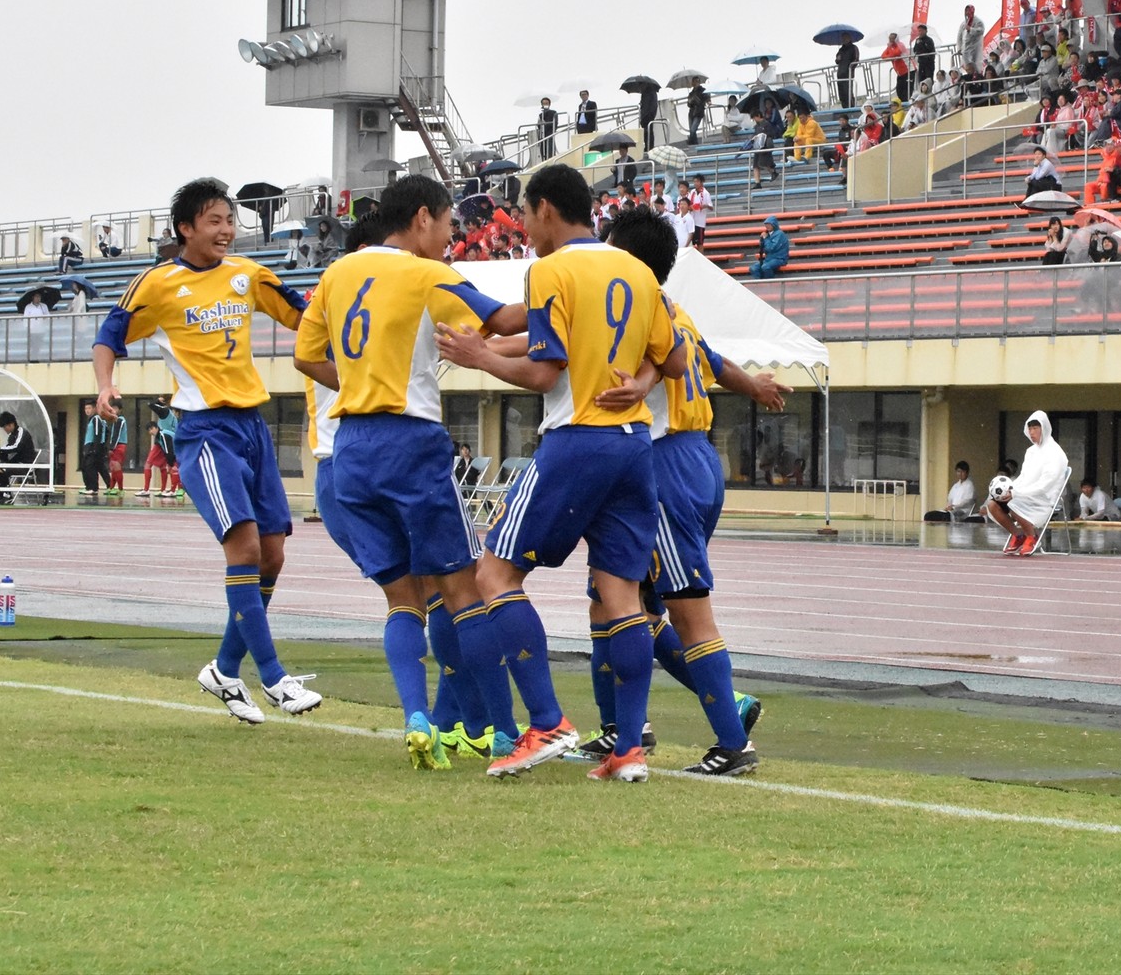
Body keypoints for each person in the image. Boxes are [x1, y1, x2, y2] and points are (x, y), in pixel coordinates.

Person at [431, 164, 690, 784]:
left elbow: (548, 372)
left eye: (524, 212)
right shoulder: (636, 269)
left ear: (546, 209)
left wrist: (478, 358)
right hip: (634, 445)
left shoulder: (549, 270)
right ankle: (628, 749)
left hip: (577, 439)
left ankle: (546, 721)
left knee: (494, 573)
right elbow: (675, 357)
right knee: (622, 595)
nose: (522, 225)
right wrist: (642, 383)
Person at [296, 175, 532, 770]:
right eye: (449, 224)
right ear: (422, 217)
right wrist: (568, 297)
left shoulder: (337, 273)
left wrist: (355, 386)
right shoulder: (426, 273)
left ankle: (418, 718)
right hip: (411, 441)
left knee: (403, 601)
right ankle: (504, 733)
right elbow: (502, 321)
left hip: (349, 447)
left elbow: (304, 354)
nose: (451, 237)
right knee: (464, 593)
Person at [93, 176, 322, 724]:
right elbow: (109, 335)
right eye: (215, 221)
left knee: (272, 556)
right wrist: (105, 385)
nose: (227, 231)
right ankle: (273, 677)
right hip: (204, 432)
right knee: (242, 550)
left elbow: (305, 316)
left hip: (253, 427)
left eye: (231, 221)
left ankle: (223, 669)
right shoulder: (157, 284)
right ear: (186, 229)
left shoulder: (249, 275)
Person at [581, 204, 784, 774]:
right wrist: (755, 387)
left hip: (664, 467)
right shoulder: (673, 309)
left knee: (684, 609)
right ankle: (625, 728)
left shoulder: (631, 313)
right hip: (695, 460)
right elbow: (712, 361)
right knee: (616, 600)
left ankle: (731, 739)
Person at [986, 411, 1070, 557]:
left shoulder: (1055, 453)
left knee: (1012, 501)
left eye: (1035, 428)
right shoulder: (1030, 451)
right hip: (1024, 494)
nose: (1032, 432)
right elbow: (1023, 477)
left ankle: (1032, 537)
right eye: (1030, 429)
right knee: (993, 504)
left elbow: (1045, 485)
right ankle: (1018, 535)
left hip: (1044, 498)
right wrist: (1009, 489)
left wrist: (1016, 493)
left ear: (1044, 428)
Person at [0, 411, 38, 503]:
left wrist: (0, 450)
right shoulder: (11, 436)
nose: (5, 430)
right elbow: (9, 450)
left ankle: (7, 495)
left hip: (24, 464)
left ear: (11, 424)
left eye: (5, 427)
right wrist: (0, 455)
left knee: (2, 469)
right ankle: (1, 494)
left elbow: (17, 447)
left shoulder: (22, 432)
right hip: (14, 464)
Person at [146, 395, 182, 500]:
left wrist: (157, 401)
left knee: (171, 465)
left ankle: (174, 489)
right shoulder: (172, 417)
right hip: (171, 441)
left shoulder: (165, 412)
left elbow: (150, 405)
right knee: (170, 467)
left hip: (169, 442)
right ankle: (172, 489)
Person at [79, 402, 110, 500]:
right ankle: (107, 485)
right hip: (90, 446)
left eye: (89, 408)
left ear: (94, 409)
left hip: (93, 446)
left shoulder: (96, 419)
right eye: (85, 408)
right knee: (99, 467)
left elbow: (98, 433)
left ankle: (92, 487)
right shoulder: (91, 420)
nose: (87, 410)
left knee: (90, 467)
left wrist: (95, 448)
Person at [103, 407, 128, 499]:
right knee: (113, 467)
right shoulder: (115, 420)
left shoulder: (120, 420)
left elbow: (117, 435)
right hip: (116, 445)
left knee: (116, 465)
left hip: (119, 445)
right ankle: (111, 487)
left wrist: (112, 447)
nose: (112, 410)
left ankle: (121, 489)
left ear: (120, 410)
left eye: (115, 408)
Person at [685, 175, 715, 248]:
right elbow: (688, 204)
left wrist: (705, 206)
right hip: (691, 220)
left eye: (697, 181)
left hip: (700, 222)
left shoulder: (705, 193)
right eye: (694, 181)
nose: (695, 183)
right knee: (691, 242)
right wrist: (690, 207)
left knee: (700, 243)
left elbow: (711, 207)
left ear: (702, 182)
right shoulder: (692, 192)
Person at [883, 32, 912, 101]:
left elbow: (896, 53)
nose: (891, 40)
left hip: (908, 69)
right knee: (899, 89)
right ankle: (902, 103)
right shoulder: (891, 47)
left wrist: (889, 49)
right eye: (890, 39)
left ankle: (907, 103)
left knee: (907, 89)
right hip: (900, 72)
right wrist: (889, 49)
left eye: (892, 38)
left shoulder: (900, 45)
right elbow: (883, 56)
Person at [834, 37, 859, 109]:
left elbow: (856, 60)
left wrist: (850, 68)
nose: (844, 40)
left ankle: (851, 107)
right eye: (843, 38)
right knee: (841, 94)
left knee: (848, 92)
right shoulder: (841, 49)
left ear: (849, 39)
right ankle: (844, 108)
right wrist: (838, 59)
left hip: (848, 74)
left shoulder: (854, 48)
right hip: (840, 74)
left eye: (845, 38)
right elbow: (837, 61)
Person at [637, 82, 660, 151]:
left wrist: (650, 115)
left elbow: (652, 106)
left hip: (648, 116)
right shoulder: (645, 94)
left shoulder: (651, 93)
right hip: (645, 116)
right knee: (646, 133)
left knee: (649, 132)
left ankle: (650, 147)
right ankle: (647, 146)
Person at [537, 97, 558, 161]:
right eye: (544, 103)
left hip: (549, 135)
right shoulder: (540, 115)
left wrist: (545, 124)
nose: (545, 105)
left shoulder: (553, 113)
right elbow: (539, 126)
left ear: (549, 104)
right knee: (543, 153)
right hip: (542, 137)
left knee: (550, 152)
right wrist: (540, 124)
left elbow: (555, 124)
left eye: (546, 103)